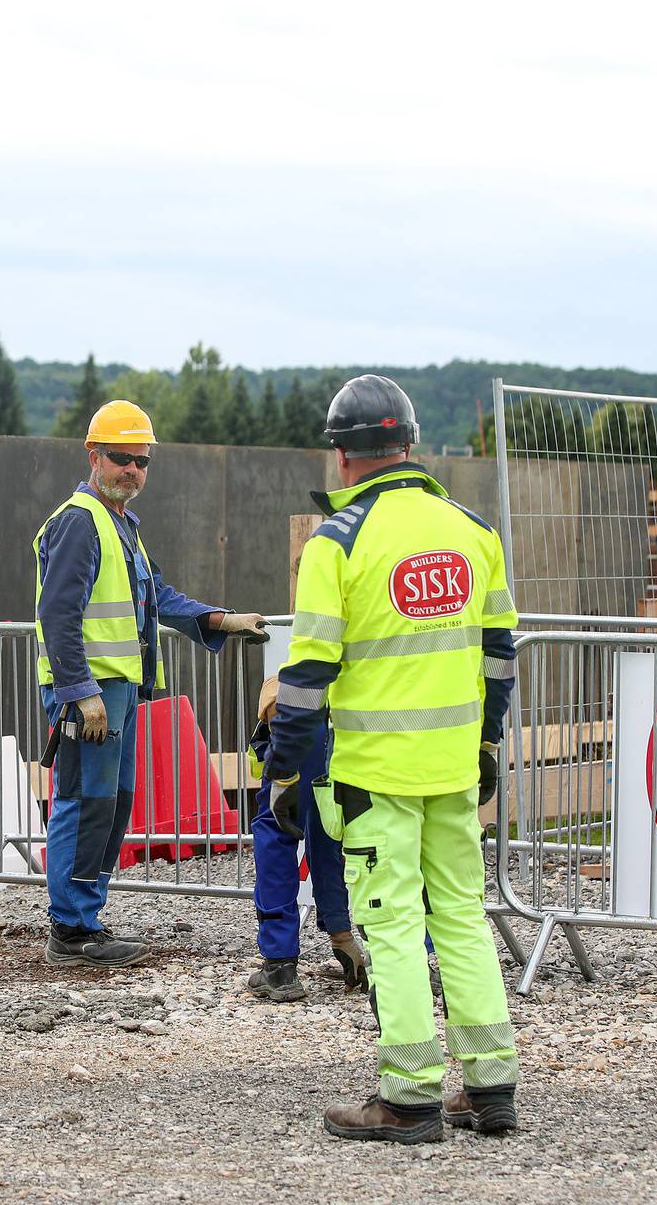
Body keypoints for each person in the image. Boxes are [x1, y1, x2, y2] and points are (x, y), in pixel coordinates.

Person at [262, 374, 520, 1144]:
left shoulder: (336, 544)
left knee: (396, 925)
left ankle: (408, 1097)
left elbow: (306, 678)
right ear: (409, 445)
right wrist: (486, 742)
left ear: (342, 458)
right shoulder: (473, 532)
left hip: (376, 774)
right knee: (463, 918)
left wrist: (281, 772)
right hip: (451, 767)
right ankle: (490, 1086)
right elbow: (499, 657)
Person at [34, 399, 268, 967]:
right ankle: (71, 930)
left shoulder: (121, 527)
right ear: (93, 456)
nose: (133, 471)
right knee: (84, 803)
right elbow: (58, 615)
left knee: (111, 805)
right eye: (122, 459)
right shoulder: (80, 522)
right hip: (93, 694)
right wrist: (79, 690)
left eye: (142, 462)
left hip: (116, 693)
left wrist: (219, 620)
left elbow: (155, 597)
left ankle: (84, 919)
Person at [245, 676, 369, 1002]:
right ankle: (400, 959)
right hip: (374, 717)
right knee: (340, 829)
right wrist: (341, 934)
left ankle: (280, 965)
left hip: (310, 709)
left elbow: (309, 657)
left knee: (276, 828)